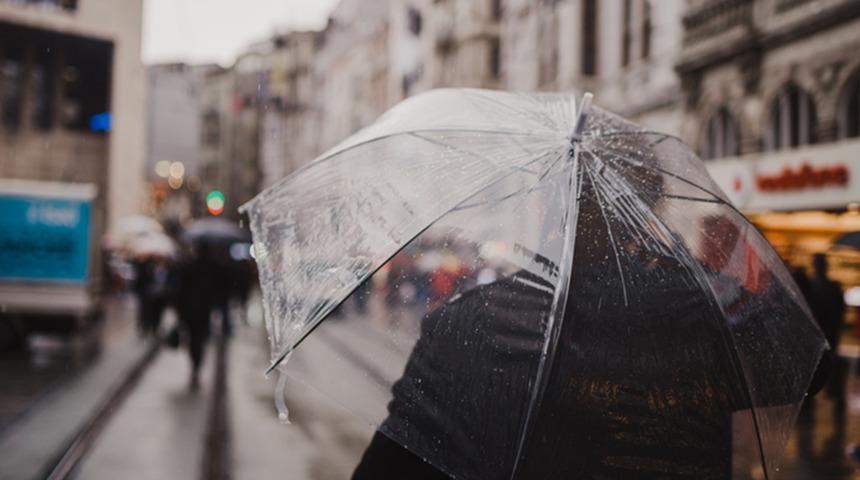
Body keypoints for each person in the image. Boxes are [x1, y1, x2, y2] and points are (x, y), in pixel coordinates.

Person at [352, 145, 825, 479]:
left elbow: (391, 466)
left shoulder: (464, 327)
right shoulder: (700, 316)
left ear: (544, 210)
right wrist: (687, 265)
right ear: (649, 211)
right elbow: (805, 359)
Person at [174, 240, 219, 389]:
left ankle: (195, 363)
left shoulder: (189, 267)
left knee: (193, 338)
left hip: (189, 311)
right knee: (199, 339)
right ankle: (197, 364)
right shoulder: (211, 269)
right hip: (203, 312)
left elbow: (180, 290)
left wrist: (179, 310)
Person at [808, 253, 846, 406]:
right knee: (829, 362)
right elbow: (840, 310)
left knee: (817, 364)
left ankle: (824, 390)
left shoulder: (812, 286)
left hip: (819, 332)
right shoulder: (832, 286)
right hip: (829, 331)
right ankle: (834, 391)